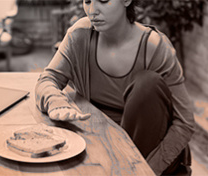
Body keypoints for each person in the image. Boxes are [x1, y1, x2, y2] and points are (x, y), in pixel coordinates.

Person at [35, 0, 195, 175]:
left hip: (152, 159)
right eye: (87, 1)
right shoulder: (80, 35)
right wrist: (56, 102)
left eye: (103, 1)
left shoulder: (154, 46)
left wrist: (143, 170)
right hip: (103, 151)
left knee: (147, 84)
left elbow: (184, 123)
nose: (92, 10)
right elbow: (48, 79)